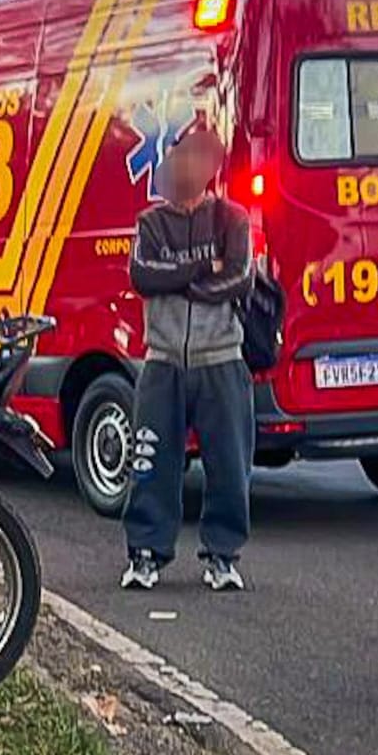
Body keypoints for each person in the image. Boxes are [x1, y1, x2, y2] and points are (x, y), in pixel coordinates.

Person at [121, 130, 254, 593]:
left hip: (221, 358)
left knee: (229, 463)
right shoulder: (150, 223)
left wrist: (179, 279)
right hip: (162, 361)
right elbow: (143, 275)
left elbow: (238, 278)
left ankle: (223, 557)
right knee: (152, 461)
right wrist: (200, 269)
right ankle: (145, 555)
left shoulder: (232, 219)